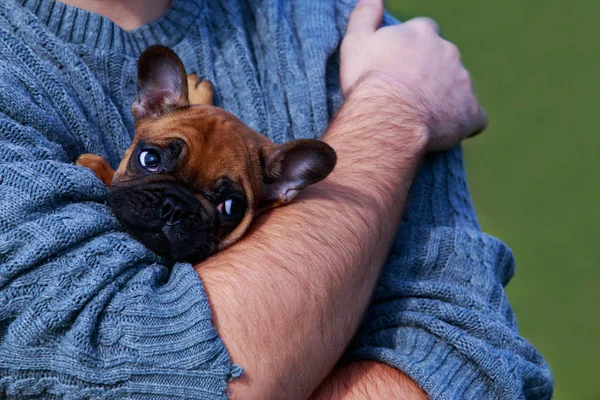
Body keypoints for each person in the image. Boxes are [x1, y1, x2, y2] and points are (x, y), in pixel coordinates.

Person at [0, 0, 552, 398]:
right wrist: (393, 109)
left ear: (285, 191)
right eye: (153, 162)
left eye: (226, 206)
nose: (171, 209)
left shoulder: (365, 44)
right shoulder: (382, 79)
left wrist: (394, 105)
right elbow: (138, 374)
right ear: (146, 104)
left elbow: (471, 366)